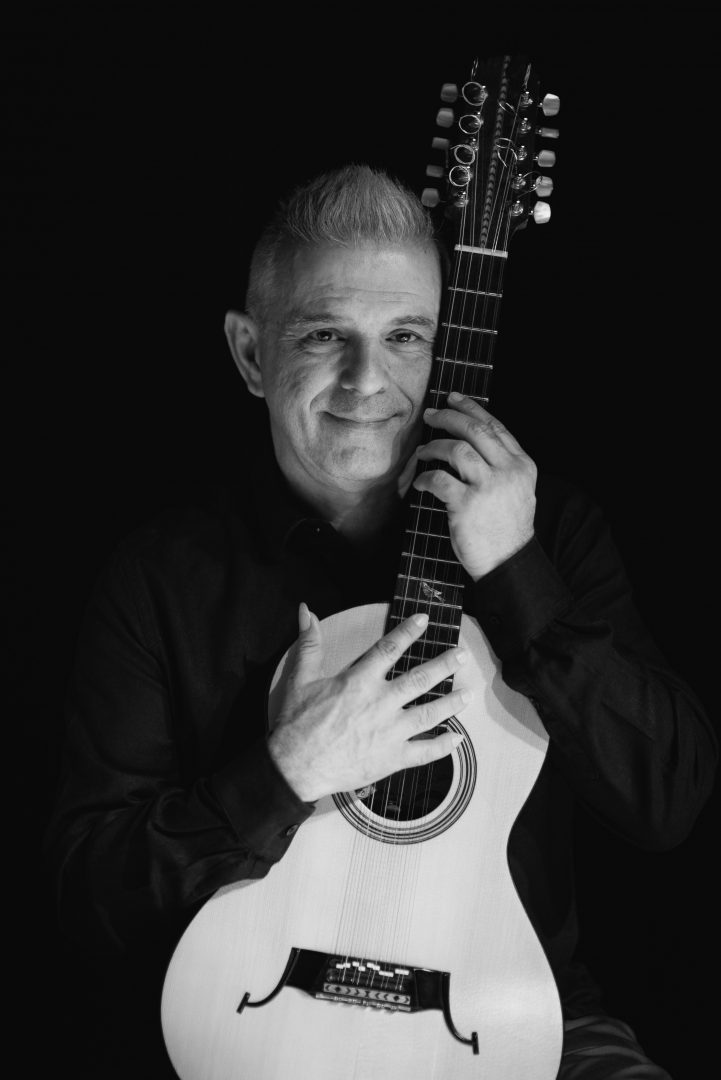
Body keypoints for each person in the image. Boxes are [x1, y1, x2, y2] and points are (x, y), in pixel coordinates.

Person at [44, 165, 716, 1079]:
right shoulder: (162, 576)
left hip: (509, 1017)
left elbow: (666, 802)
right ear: (250, 353)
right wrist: (288, 769)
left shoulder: (545, 534)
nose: (368, 381)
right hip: (250, 1012)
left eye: (405, 336)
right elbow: (88, 901)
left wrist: (515, 573)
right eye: (325, 334)